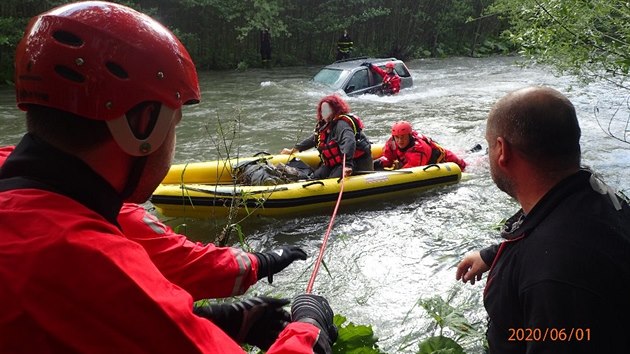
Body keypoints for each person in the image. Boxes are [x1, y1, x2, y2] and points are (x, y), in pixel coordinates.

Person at [0, 2, 337, 353]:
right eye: (174, 124)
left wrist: (214, 317)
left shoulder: (51, 195)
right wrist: (309, 329)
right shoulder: (95, 263)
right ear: (142, 125)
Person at [455, 86, 630, 353]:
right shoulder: (591, 194)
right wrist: (492, 255)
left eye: (490, 146)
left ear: (502, 150)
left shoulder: (554, 278)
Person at [281, 94, 372, 178]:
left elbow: (349, 141)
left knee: (332, 179)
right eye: (322, 110)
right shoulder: (326, 125)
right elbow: (315, 139)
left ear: (335, 110)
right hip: (336, 163)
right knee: (315, 177)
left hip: (353, 162)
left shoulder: (342, 124)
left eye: (327, 109)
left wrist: (348, 165)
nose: (324, 112)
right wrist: (294, 149)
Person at [373, 121, 466, 171]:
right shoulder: (391, 142)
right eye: (397, 137)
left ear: (409, 136)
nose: (400, 141)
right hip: (429, 155)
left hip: (446, 160)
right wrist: (379, 163)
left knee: (465, 165)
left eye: (403, 137)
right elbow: (388, 158)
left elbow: (410, 170)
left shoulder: (418, 149)